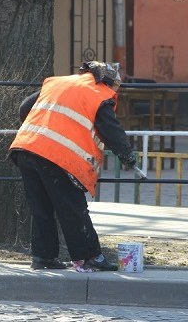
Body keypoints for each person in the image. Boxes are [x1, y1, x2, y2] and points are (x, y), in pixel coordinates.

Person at [9, 61, 137, 272]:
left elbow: (24, 107)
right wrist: (128, 156)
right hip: (57, 155)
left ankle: (43, 257)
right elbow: (110, 129)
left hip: (26, 148)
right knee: (72, 207)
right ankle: (89, 257)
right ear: (108, 82)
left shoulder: (58, 82)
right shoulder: (98, 93)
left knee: (41, 208)